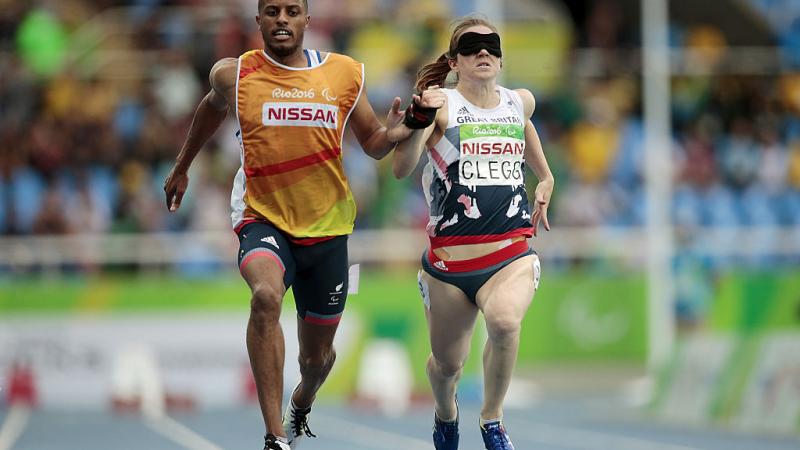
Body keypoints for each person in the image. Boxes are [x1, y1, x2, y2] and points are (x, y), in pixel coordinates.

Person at [162, 1, 409, 449]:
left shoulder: (345, 73)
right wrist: (183, 167)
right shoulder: (233, 74)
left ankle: (304, 397)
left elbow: (373, 142)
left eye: (292, 11)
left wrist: (397, 130)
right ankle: (275, 435)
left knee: (316, 358)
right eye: (271, 10)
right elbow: (210, 108)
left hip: (329, 227)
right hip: (263, 216)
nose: (281, 19)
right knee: (265, 296)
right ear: (257, 20)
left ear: (306, 21)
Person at [392, 17, 554, 450]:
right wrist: (416, 121)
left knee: (504, 321)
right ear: (454, 61)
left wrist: (545, 176)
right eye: (471, 46)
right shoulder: (441, 105)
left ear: (499, 58)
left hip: (510, 253)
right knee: (448, 365)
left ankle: (492, 419)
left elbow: (526, 130)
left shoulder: (520, 102)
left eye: (491, 46)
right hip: (449, 264)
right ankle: (446, 413)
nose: (483, 52)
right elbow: (401, 169)